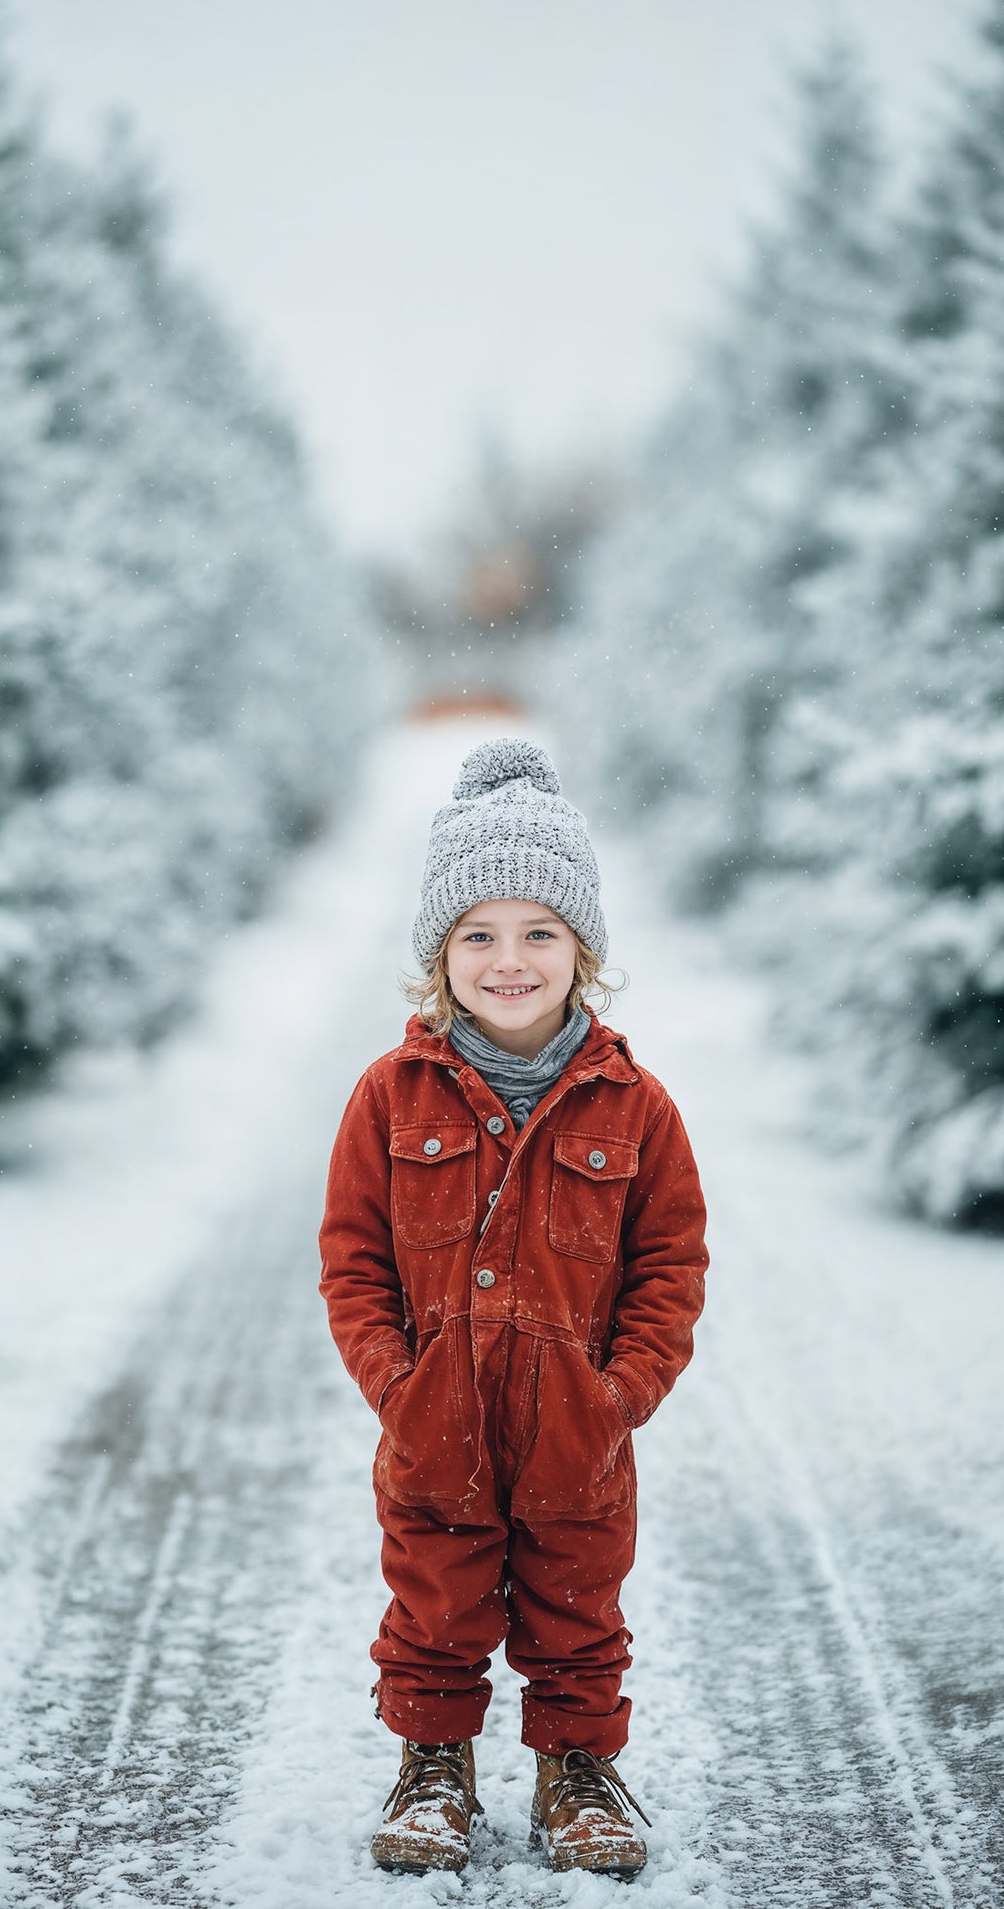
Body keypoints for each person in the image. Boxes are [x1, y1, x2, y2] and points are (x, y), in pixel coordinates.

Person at [319, 736, 709, 1879]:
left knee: (577, 1603)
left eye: (538, 931)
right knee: (431, 1599)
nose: (508, 959)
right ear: (437, 953)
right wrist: (398, 1383)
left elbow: (669, 1265)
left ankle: (575, 1767)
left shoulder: (637, 1109)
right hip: (431, 1416)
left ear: (580, 949)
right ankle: (433, 1759)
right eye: (476, 934)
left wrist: (616, 1392)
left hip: (574, 1427)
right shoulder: (388, 1097)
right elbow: (351, 1260)